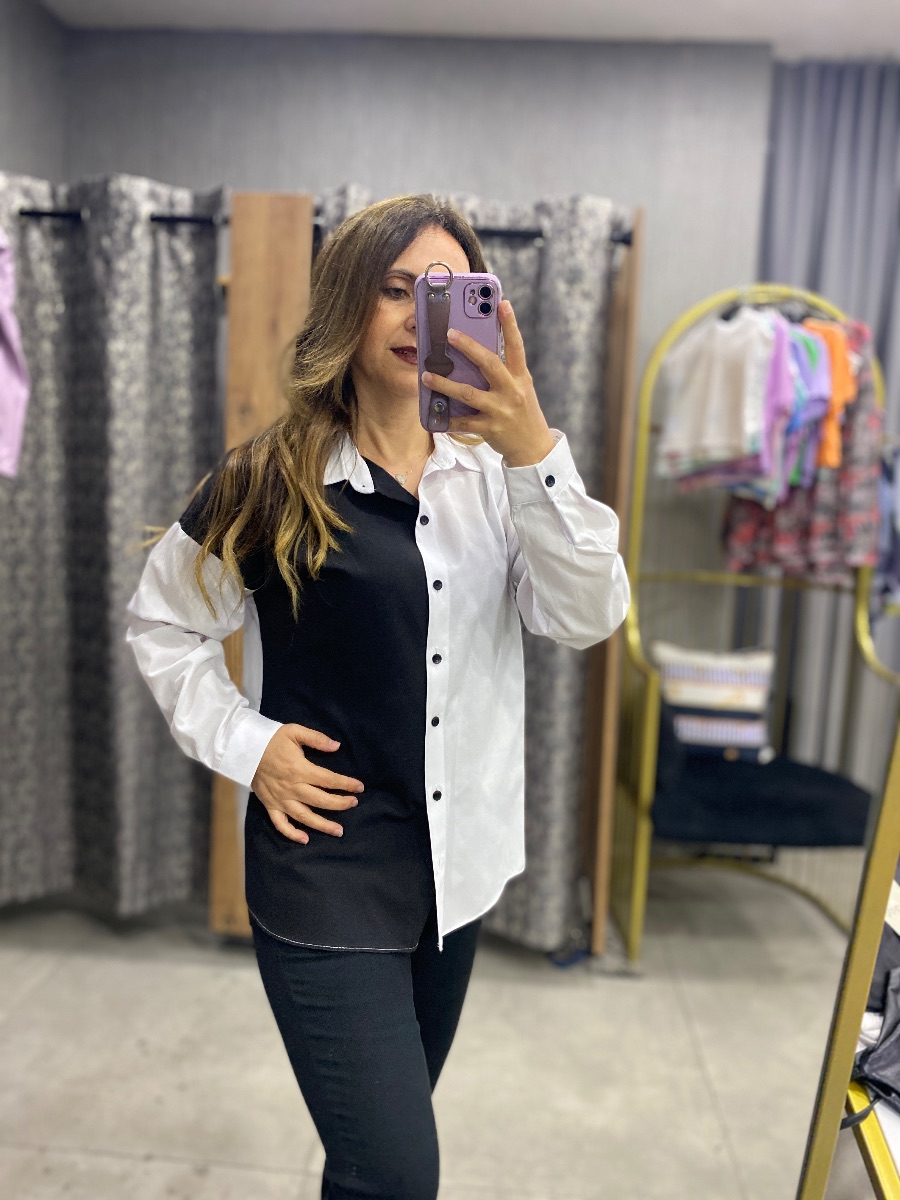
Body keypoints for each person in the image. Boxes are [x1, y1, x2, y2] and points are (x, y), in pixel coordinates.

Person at [125, 194, 630, 1200]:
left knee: (370, 1159)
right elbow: (162, 623)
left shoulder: (501, 482)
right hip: (325, 869)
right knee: (397, 1170)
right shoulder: (270, 479)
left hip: (456, 873)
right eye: (394, 290)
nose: (416, 315)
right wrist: (249, 745)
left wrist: (536, 449)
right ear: (346, 306)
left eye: (445, 292)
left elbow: (586, 615)